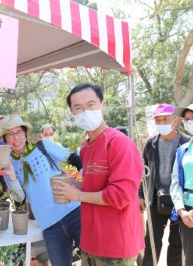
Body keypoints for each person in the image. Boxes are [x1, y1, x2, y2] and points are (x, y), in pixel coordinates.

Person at [53, 83, 144, 265]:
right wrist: (77, 185)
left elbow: (120, 195)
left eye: (91, 104)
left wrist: (78, 195)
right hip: (91, 240)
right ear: (72, 113)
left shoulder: (119, 143)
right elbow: (97, 186)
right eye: (78, 108)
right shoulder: (86, 147)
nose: (85, 111)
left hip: (115, 246)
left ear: (103, 105)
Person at [0, 114, 81, 266]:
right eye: (10, 134)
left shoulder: (43, 146)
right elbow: (20, 199)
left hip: (74, 213)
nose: (16, 138)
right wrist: (11, 174)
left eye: (19, 132)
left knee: (93, 259)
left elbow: (75, 160)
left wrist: (85, 184)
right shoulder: (7, 166)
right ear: (4, 138)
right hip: (49, 225)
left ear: (25, 133)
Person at [140, 104, 188, 266]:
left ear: (175, 121)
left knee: (177, 242)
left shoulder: (186, 143)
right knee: (152, 241)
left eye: (165, 119)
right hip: (155, 200)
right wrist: (141, 195)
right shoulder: (150, 144)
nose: (162, 122)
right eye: (158, 120)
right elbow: (143, 171)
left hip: (180, 202)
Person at [170, 102, 193, 266]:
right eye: (187, 119)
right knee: (190, 260)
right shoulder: (183, 149)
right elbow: (175, 181)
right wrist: (181, 210)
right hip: (187, 215)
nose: (190, 122)